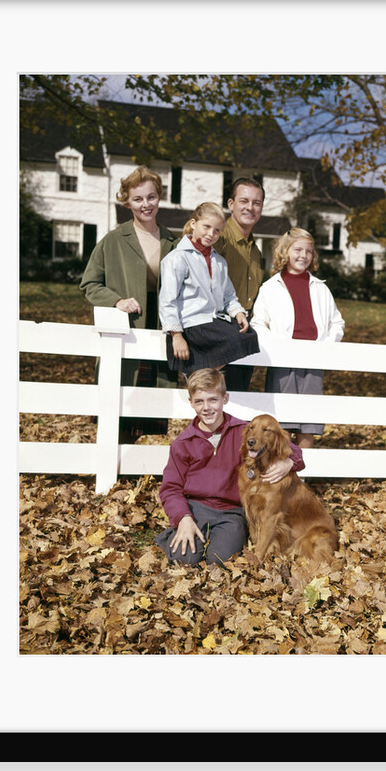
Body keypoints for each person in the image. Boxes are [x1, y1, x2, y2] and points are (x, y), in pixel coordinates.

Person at [155, 368, 305, 565]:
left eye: (213, 400)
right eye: (199, 401)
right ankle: (174, 533)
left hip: (232, 511)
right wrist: (183, 518)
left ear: (225, 398)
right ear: (191, 402)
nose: (207, 407)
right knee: (186, 559)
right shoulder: (183, 443)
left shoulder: (243, 431)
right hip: (195, 509)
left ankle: (222, 537)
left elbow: (289, 447)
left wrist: (290, 462)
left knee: (219, 559)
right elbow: (170, 488)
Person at [79, 166, 179, 443]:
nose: (146, 204)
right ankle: (111, 476)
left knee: (148, 411)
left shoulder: (174, 241)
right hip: (126, 330)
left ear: (159, 197)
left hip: (159, 331)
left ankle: (132, 473)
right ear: (127, 202)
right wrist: (117, 301)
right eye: (138, 199)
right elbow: (89, 285)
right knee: (118, 406)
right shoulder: (113, 240)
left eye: (151, 197)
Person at [251, 227, 345, 448]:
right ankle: (280, 475)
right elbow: (258, 323)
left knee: (307, 423)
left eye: (309, 251)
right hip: (283, 362)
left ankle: (302, 475)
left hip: (313, 361)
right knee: (282, 423)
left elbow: (337, 322)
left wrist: (326, 346)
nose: (303, 255)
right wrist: (277, 346)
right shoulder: (270, 287)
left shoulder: (320, 288)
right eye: (298, 250)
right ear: (285, 251)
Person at [158, 201, 260, 376]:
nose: (211, 234)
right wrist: (176, 336)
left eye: (217, 230)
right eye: (206, 227)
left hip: (213, 323)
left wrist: (239, 313)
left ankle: (200, 373)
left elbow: (229, 295)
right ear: (193, 224)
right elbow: (168, 300)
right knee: (237, 339)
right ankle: (199, 374)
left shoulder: (219, 261)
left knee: (249, 335)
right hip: (192, 325)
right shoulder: (177, 258)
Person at [215, 177, 266, 391]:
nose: (250, 208)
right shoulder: (218, 239)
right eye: (244, 201)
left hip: (245, 335)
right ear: (231, 204)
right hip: (218, 333)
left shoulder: (256, 252)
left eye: (256, 203)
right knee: (213, 406)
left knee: (239, 403)